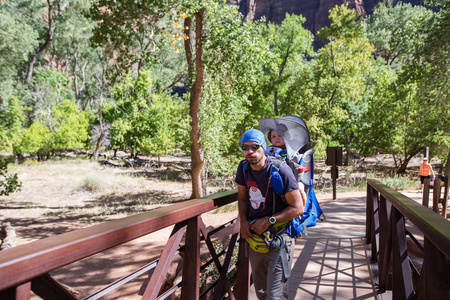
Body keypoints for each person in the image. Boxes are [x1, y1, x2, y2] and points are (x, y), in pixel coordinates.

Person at [235, 129, 305, 299]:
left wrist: (269, 220)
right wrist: (243, 220)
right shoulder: (243, 168)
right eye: (245, 147)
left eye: (255, 147)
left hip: (279, 237)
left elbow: (298, 208)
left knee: (276, 296)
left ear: (263, 147)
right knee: (261, 292)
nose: (249, 151)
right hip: (256, 238)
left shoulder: (280, 170)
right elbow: (243, 198)